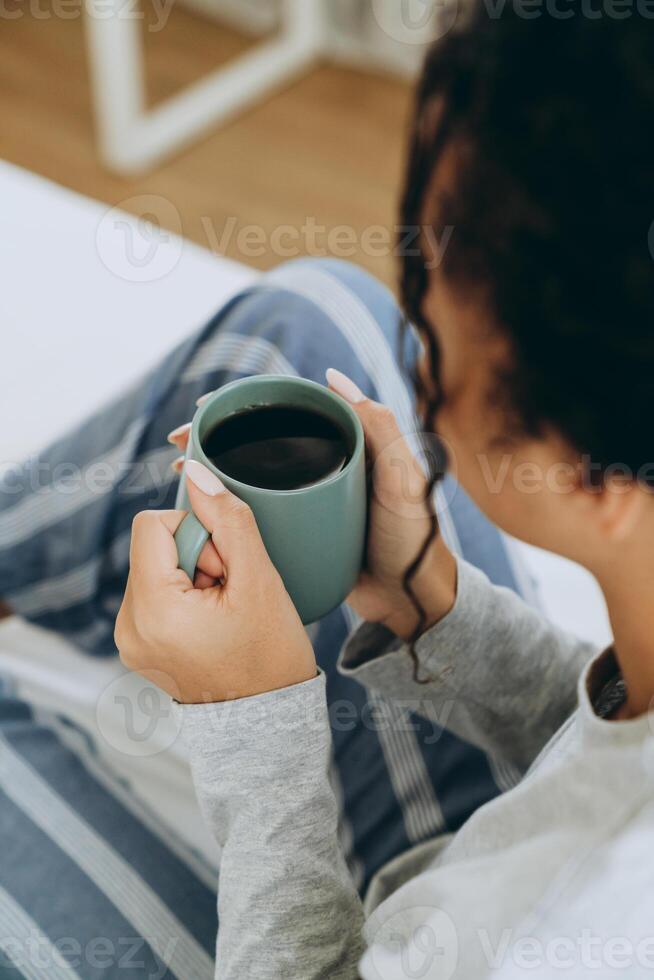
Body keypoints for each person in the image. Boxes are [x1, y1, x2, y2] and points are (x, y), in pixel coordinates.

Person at [114, 7, 654, 980]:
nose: (419, 383)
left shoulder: (581, 929)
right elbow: (611, 756)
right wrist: (429, 599)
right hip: (466, 858)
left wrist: (253, 720)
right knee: (317, 315)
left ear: (601, 469)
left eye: (437, 347)